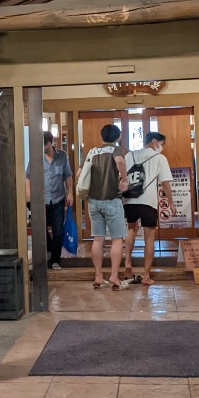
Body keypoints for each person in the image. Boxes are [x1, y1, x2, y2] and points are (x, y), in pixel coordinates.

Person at [123, 131, 175, 286]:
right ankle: (146, 276)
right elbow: (165, 183)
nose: (162, 147)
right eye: (162, 143)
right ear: (155, 142)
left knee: (131, 229)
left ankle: (127, 263)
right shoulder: (160, 158)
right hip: (149, 201)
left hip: (129, 199)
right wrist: (171, 203)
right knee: (149, 237)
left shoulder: (130, 155)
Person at [80, 123, 129, 290]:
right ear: (117, 137)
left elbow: (80, 173)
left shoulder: (92, 151)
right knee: (117, 239)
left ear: (102, 137)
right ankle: (114, 276)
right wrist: (124, 179)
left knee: (98, 238)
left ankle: (98, 275)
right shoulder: (117, 149)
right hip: (112, 200)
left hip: (93, 201)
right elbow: (120, 161)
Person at [25, 131, 73, 270]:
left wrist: (70, 193)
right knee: (40, 229)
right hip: (40, 199)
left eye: (45, 144)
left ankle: (55, 260)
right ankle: (49, 250)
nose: (43, 147)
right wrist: (28, 194)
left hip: (58, 198)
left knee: (58, 230)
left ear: (51, 142)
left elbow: (67, 175)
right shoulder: (36, 156)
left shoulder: (62, 156)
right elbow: (28, 176)